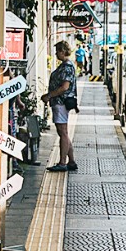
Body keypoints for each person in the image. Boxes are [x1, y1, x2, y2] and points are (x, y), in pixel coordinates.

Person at [47, 41, 79, 172]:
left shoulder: (66, 67)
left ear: (62, 51)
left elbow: (64, 87)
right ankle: (71, 161)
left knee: (63, 132)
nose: (56, 54)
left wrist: (49, 95)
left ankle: (62, 162)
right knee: (63, 133)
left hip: (60, 102)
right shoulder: (67, 65)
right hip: (60, 102)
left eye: (57, 51)